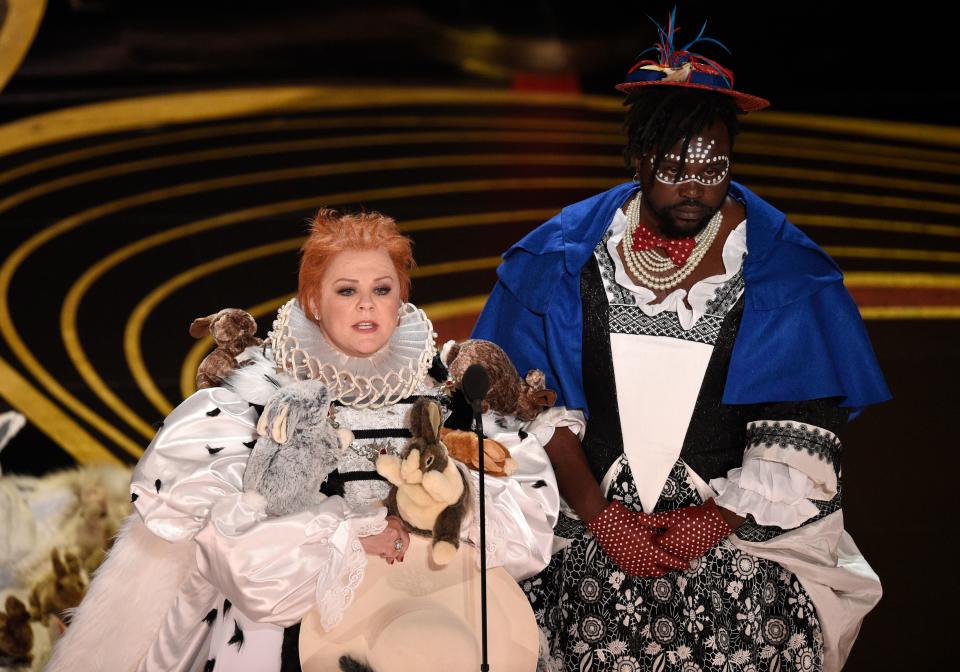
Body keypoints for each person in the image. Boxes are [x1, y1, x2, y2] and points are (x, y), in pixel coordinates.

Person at [472, 13, 890, 672]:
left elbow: (806, 419)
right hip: (584, 518)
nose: (694, 187)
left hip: (742, 530)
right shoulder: (563, 257)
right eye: (673, 169)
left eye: (713, 167)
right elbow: (523, 400)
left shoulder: (782, 268)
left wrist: (710, 522)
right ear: (639, 159)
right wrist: (602, 518)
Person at [48, 209, 560, 671]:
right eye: (346, 291)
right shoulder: (260, 394)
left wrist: (436, 512)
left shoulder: (444, 388)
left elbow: (519, 535)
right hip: (286, 625)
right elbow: (237, 550)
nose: (367, 305)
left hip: (417, 614)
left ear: (400, 296)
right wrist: (352, 535)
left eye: (382, 289)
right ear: (314, 300)